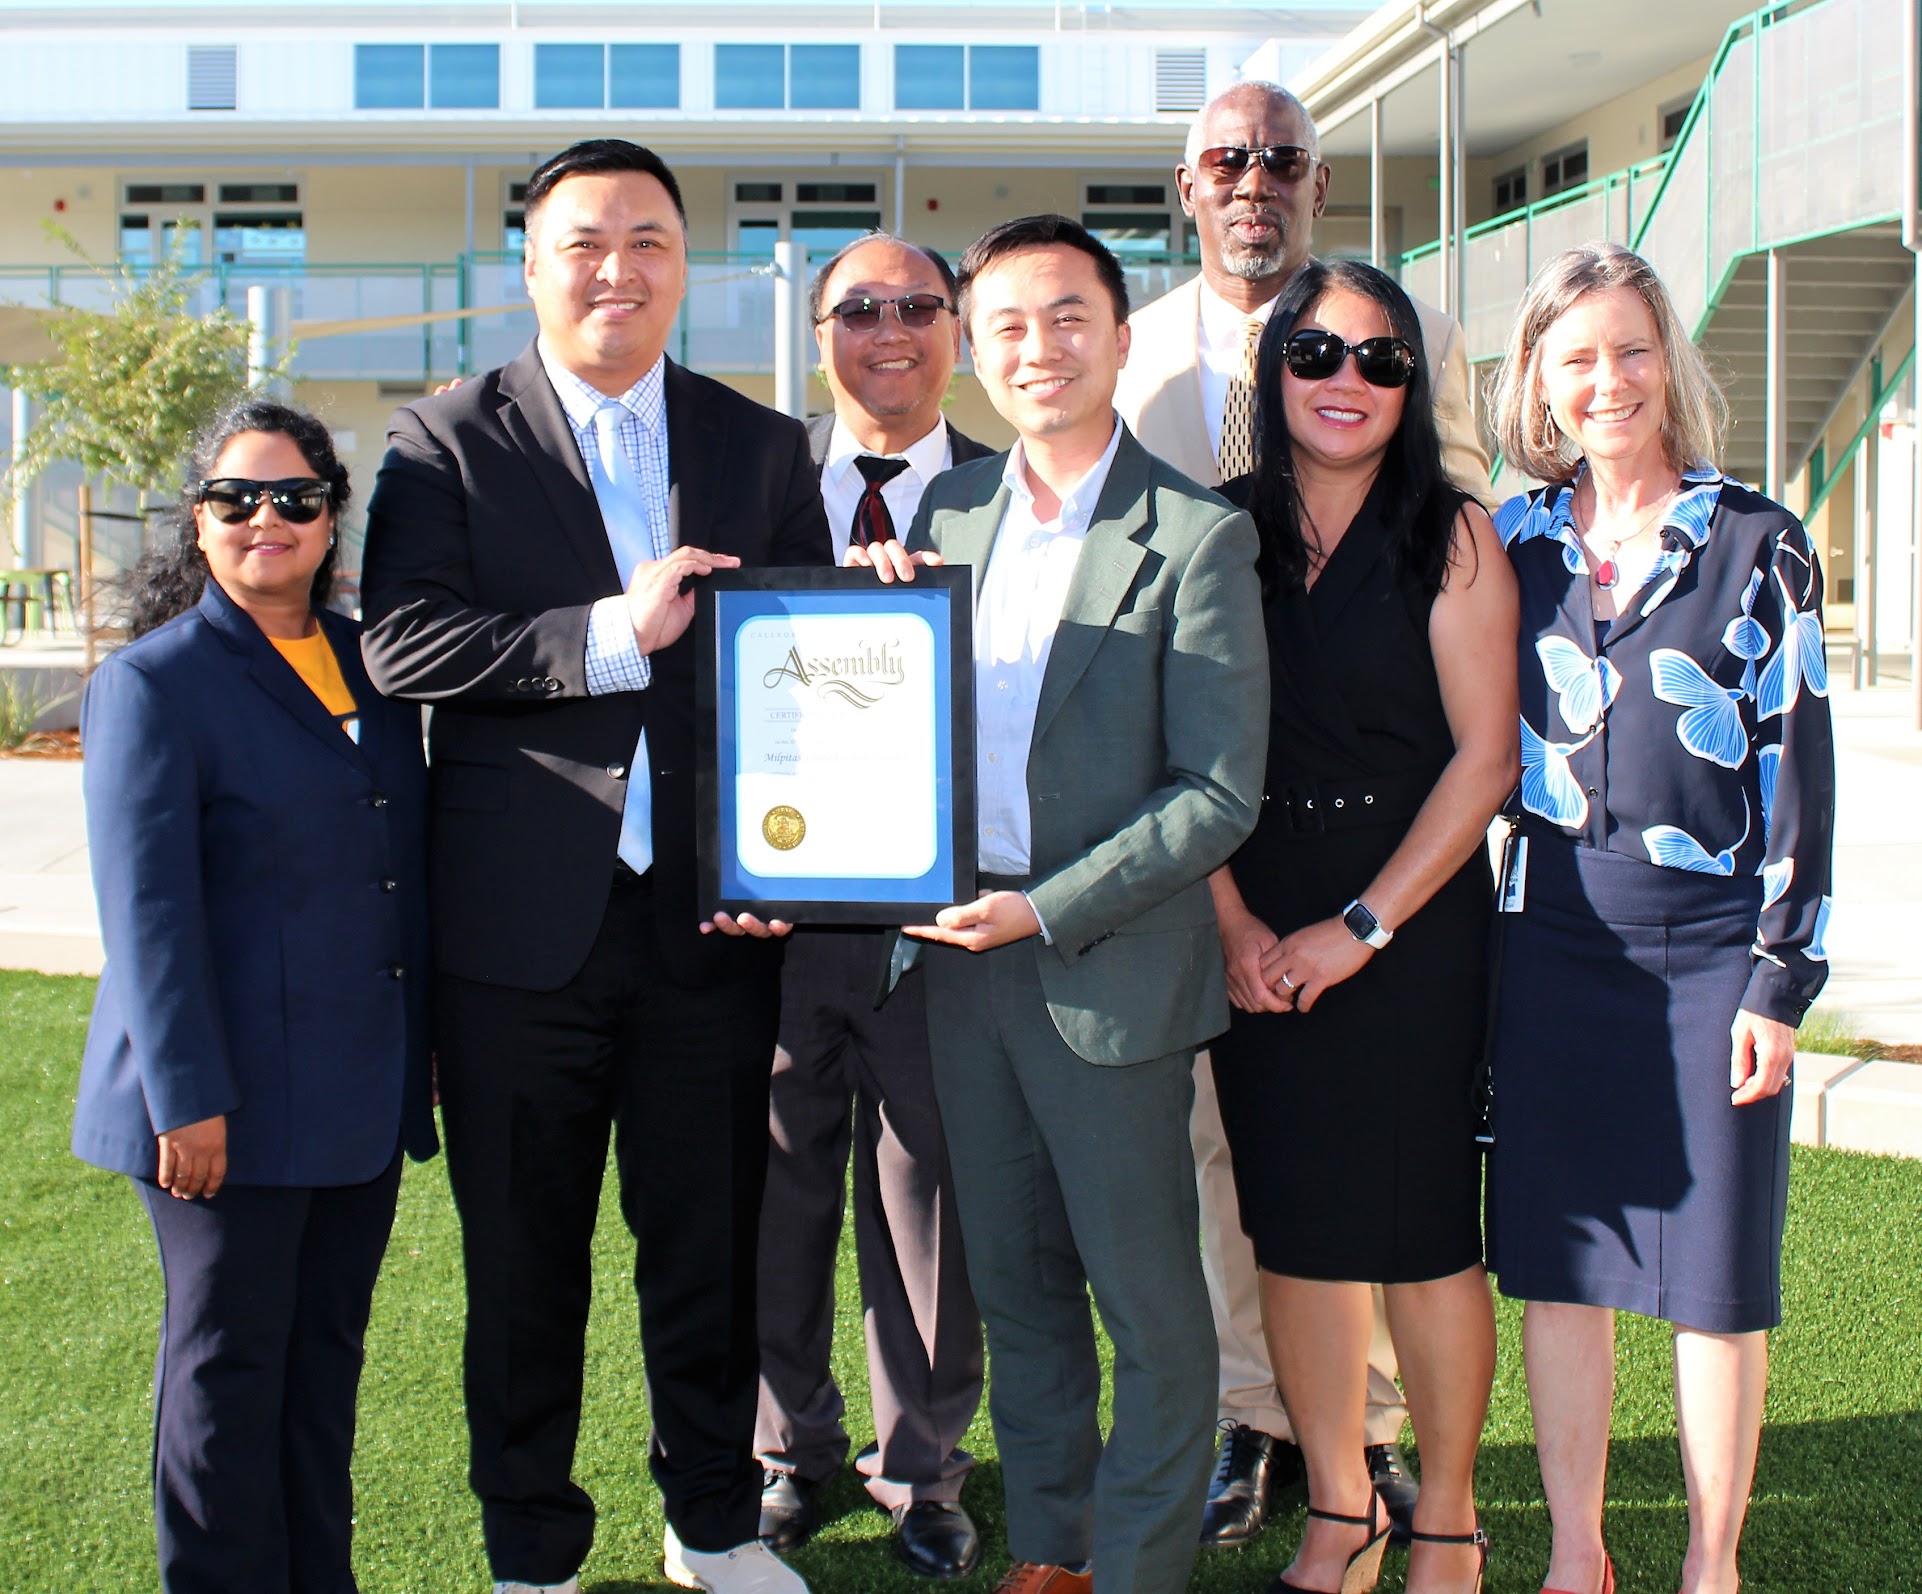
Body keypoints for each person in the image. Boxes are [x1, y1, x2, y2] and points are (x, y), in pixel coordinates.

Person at [359, 138, 831, 1594]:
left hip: (712, 918)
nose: (616, 267)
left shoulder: (759, 445)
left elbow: (805, 671)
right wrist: (613, 631)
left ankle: (709, 1524)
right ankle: (532, 1550)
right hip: (516, 936)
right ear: (532, 265)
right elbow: (405, 644)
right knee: (521, 1265)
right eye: (584, 241)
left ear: (685, 265)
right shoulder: (442, 439)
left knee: (706, 1248)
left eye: (647, 239)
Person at [856, 213, 1269, 1594]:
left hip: (1105, 972)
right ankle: (1052, 1546)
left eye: (1067, 317)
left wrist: (1044, 909)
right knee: (1019, 1292)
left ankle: (1141, 1568)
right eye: (1008, 327)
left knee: (1151, 1309)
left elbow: (1216, 796)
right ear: (975, 352)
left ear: (1119, 332)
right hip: (958, 968)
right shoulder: (944, 515)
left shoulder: (1199, 534)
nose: (1039, 349)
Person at [1111, 78, 1495, 1549]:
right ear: (1187, 184)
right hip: (1213, 835)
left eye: (1280, 159)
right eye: (1226, 159)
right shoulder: (1126, 354)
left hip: (1385, 842)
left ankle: (1377, 1446)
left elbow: (1449, 542)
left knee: (1392, 1187)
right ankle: (1253, 1417)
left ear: (1315, 186)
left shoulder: (1428, 338)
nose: (1252, 180)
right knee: (1230, 1156)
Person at [1485, 242, 1834, 1594]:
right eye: (1575, 357)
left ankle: (1709, 1560)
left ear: (1667, 360)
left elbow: (1798, 766)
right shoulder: (1507, 543)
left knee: (1712, 1271)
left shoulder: (1759, 539)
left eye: (1630, 349)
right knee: (1565, 1264)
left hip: (1708, 947)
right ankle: (1578, 1550)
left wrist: (1776, 983)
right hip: (1552, 932)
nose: (1606, 380)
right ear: (1538, 380)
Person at [72, 398, 439, 1593]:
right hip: (220, 1107)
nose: (265, 520)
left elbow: (396, 868)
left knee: (322, 1364)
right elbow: (149, 914)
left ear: (334, 520)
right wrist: (188, 1100)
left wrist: (418, 1054)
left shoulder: (372, 668)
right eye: (237, 498)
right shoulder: (154, 682)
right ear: (199, 520)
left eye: (295, 498)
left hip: (351, 1094)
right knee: (228, 1373)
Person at [1206, 259, 1517, 1594]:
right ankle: (1339, 1506)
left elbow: (1485, 758)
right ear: (1273, 369)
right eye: (1318, 353)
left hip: (1407, 919)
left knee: (1423, 1234)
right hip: (1250, 915)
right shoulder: (1213, 530)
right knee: (1295, 1232)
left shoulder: (1451, 534)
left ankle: (1442, 1516)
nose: (1347, 381)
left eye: (1381, 361)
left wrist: (1360, 925)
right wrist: (1229, 922)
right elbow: (1179, 752)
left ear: (1413, 386)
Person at [752, 232, 990, 1575]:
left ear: (951, 327)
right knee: (779, 1195)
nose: (888, 331)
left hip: (941, 932)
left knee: (927, 1210)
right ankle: (789, 1453)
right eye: (859, 309)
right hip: (775, 923)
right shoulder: (756, 486)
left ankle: (925, 1467)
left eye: (916, 306)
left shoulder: (1010, 498)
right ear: (818, 330)